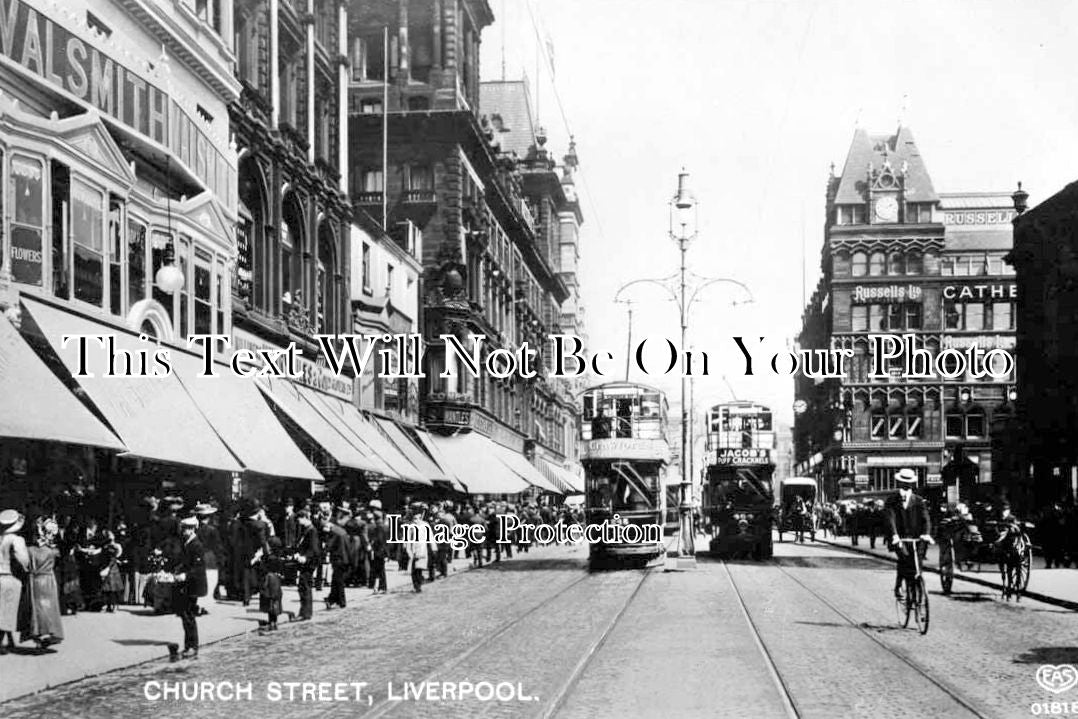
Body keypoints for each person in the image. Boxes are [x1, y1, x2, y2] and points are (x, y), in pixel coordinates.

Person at [885, 468, 933, 600]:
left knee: (918, 559)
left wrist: (926, 534)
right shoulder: (892, 500)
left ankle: (917, 585)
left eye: (909, 483)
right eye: (903, 482)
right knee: (904, 558)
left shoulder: (918, 500)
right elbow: (890, 519)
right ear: (899, 483)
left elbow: (926, 519)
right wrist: (894, 535)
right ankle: (899, 585)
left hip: (916, 537)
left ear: (912, 484)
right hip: (899, 538)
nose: (906, 485)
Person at [18, 518, 63, 650]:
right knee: (50, 608)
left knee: (36, 609)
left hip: (34, 580)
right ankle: (52, 633)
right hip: (49, 580)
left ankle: (37, 635)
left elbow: (23, 565)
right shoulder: (53, 551)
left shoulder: (29, 550)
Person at [173, 516, 207, 660]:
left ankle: (192, 646)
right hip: (187, 584)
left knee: (189, 616)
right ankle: (189, 645)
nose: (184, 531)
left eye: (187, 529)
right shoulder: (187, 543)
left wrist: (185, 575)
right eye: (183, 528)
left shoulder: (196, 545)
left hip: (194, 584)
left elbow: (198, 568)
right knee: (185, 615)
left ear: (193, 529)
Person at [0, 510, 30, 654]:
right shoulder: (16, 539)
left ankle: (10, 640)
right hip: (7, 575)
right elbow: (23, 559)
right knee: (8, 611)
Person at [292, 509, 320, 620]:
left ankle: (306, 612)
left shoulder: (312, 531)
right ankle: (304, 611)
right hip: (305, 561)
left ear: (304, 518)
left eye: (299, 519)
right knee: (303, 586)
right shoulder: (306, 529)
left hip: (308, 563)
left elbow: (313, 548)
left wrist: (305, 557)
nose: (298, 522)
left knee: (305, 587)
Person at [366, 501, 388, 594]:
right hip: (382, 551)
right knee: (381, 570)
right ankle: (381, 587)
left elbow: (378, 540)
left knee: (378, 569)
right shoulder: (384, 526)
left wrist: (372, 544)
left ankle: (380, 587)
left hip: (378, 551)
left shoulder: (378, 527)